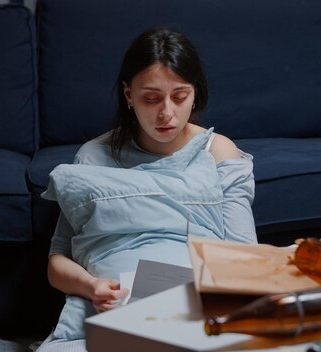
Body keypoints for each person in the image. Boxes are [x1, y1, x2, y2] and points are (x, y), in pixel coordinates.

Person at [36, 27, 257, 351]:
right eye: (151, 98)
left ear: (195, 93)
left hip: (195, 308)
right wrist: (91, 286)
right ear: (128, 95)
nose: (166, 112)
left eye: (179, 97)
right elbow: (57, 264)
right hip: (115, 309)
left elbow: (245, 258)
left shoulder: (217, 152)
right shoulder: (93, 157)